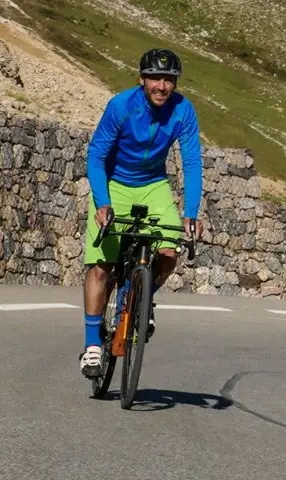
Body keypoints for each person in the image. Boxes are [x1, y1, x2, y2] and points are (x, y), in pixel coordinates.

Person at [78, 48, 204, 378]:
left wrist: (190, 213)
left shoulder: (184, 110)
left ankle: (134, 298)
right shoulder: (121, 106)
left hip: (153, 185)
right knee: (101, 264)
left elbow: (191, 162)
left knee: (169, 250)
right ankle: (92, 345)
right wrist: (102, 202)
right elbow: (96, 156)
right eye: (155, 78)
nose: (162, 86)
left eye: (169, 80)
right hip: (115, 183)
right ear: (141, 79)